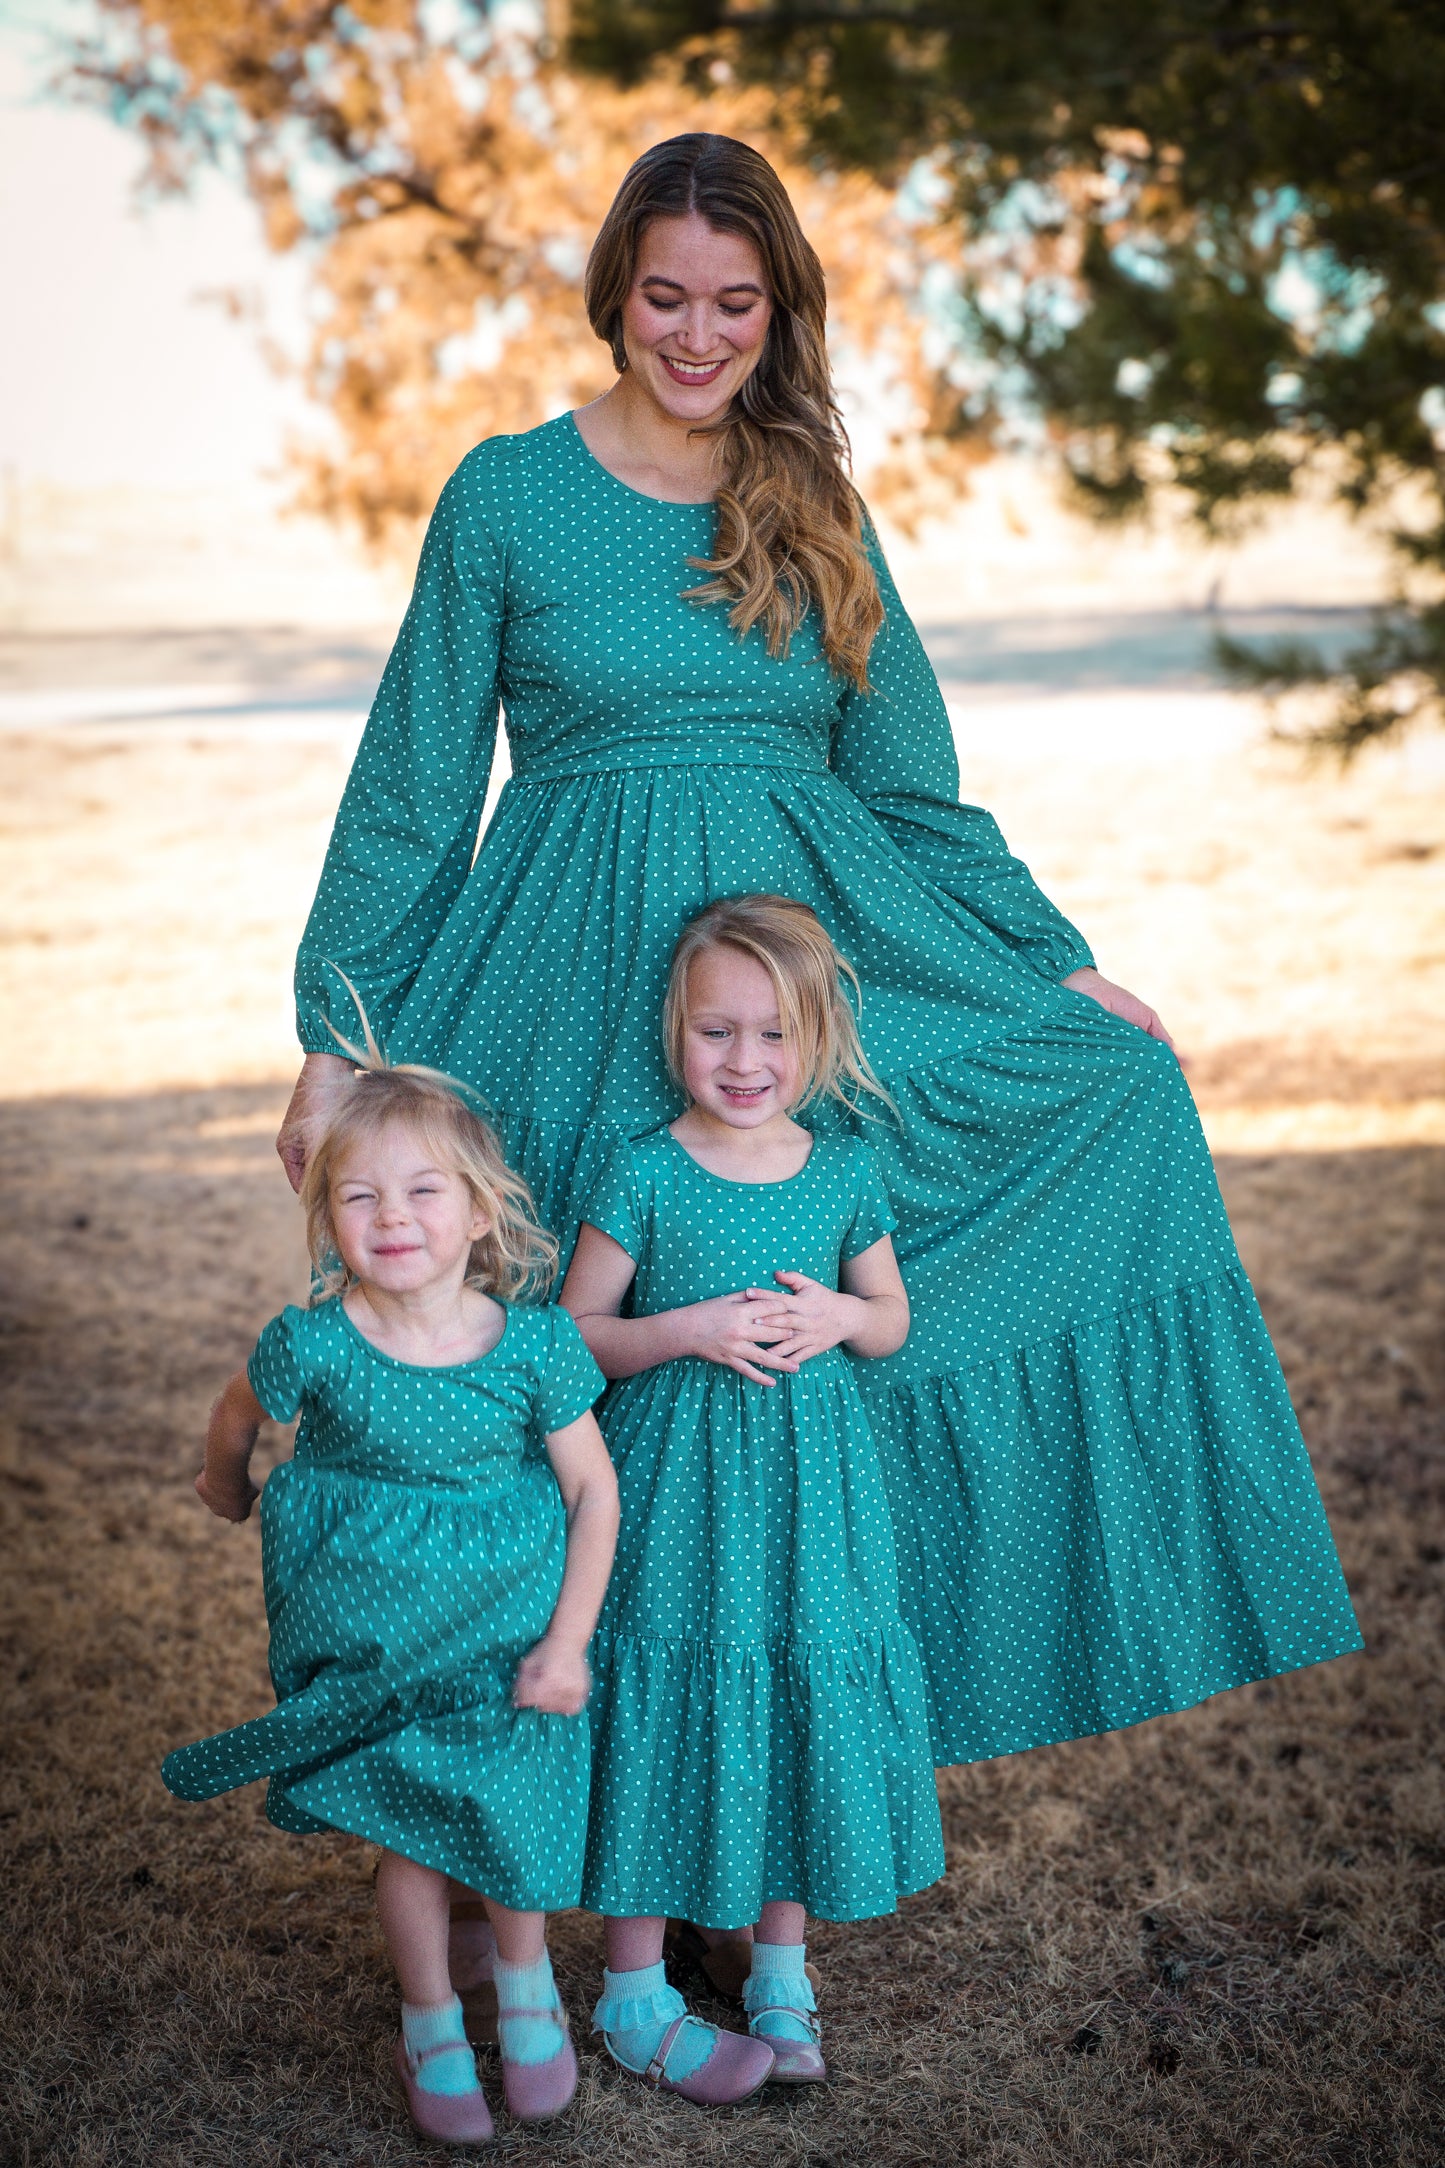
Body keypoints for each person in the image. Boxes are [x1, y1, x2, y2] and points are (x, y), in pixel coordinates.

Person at [274, 133, 1359, 1843]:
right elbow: (414, 783)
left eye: (735, 306)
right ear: (612, 293)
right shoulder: (504, 494)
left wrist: (1051, 957)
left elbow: (912, 783)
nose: (697, 337)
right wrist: (339, 1043)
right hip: (561, 987)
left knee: (780, 1389)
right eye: (665, 299)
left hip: (788, 992)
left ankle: (744, 1828)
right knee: (592, 1383)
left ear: (778, 316)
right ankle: (539, 1821)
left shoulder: (814, 509)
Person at [163, 1049, 619, 2145]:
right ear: (326, 1215)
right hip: (369, 1637)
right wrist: (224, 1484)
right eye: (359, 1195)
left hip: (505, 1632)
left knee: (510, 1813)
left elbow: (592, 1489)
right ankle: (428, 2021)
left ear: (477, 1211)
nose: (393, 1216)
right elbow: (237, 1412)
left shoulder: (533, 1344)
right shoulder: (313, 1340)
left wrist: (568, 1642)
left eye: (423, 1191)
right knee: (409, 1832)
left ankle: (524, 1992)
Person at [562, 895, 944, 2102]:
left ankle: (778, 1965)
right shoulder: (641, 1168)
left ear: (816, 1038)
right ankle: (632, 1984)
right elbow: (576, 1337)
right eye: (715, 1032)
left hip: (809, 1495)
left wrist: (838, 1314)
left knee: (793, 1696)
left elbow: (886, 1320)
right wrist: (685, 1328)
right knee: (667, 1702)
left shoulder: (842, 1167)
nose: (743, 1060)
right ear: (674, 1032)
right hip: (673, 1492)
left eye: (772, 1034)